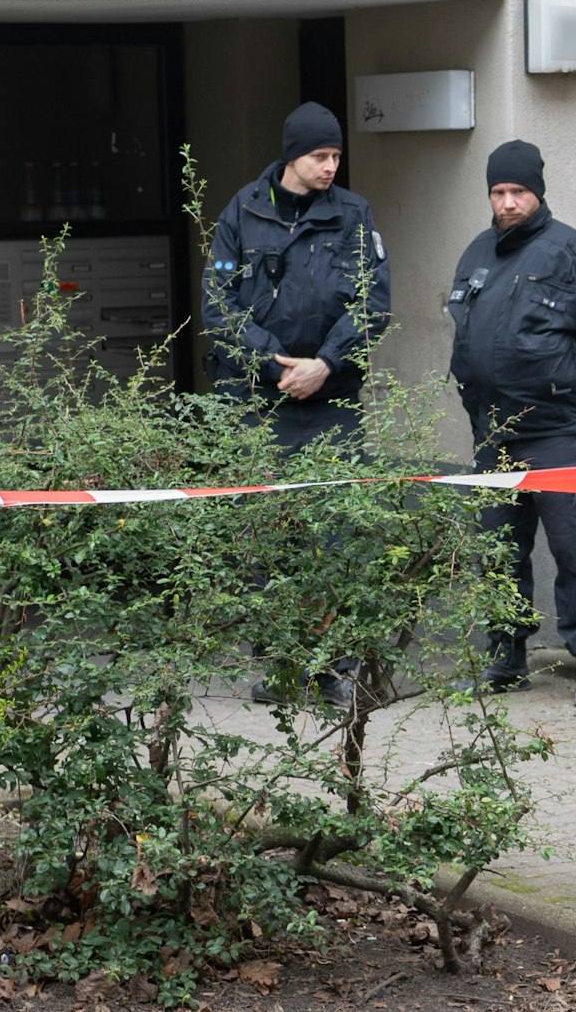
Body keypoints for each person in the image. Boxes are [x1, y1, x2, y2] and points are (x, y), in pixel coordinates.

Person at [203, 101, 391, 706]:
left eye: (336, 155)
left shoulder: (355, 215)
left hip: (330, 401)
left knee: (334, 536)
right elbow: (218, 307)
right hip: (263, 403)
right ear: (292, 157)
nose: (331, 165)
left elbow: (374, 304)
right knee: (269, 542)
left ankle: (333, 670)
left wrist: (325, 364)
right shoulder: (243, 211)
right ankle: (284, 668)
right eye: (320, 156)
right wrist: (274, 364)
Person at [447, 140, 576, 708]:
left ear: (538, 192)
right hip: (494, 435)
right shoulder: (477, 254)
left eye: (518, 192)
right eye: (498, 193)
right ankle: (506, 657)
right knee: (499, 551)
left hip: (559, 434)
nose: (508, 203)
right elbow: (464, 339)